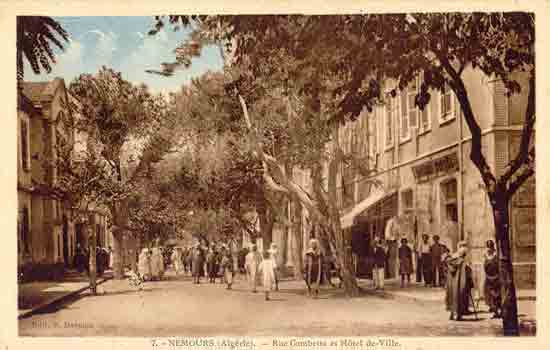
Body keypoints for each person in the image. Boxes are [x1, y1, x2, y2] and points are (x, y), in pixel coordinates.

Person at [445, 241, 475, 321]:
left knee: (452, 296)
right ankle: (458, 315)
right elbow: (466, 273)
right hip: (459, 282)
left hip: (451, 283)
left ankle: (452, 314)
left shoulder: (451, 259)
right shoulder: (462, 262)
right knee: (459, 296)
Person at [483, 240, 501, 319]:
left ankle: (498, 310)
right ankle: (495, 311)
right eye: (487, 247)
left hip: (496, 278)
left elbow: (498, 267)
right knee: (489, 295)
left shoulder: (496, 255)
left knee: (496, 295)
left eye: (490, 247)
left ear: (493, 247)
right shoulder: (485, 255)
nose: (489, 249)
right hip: (488, 278)